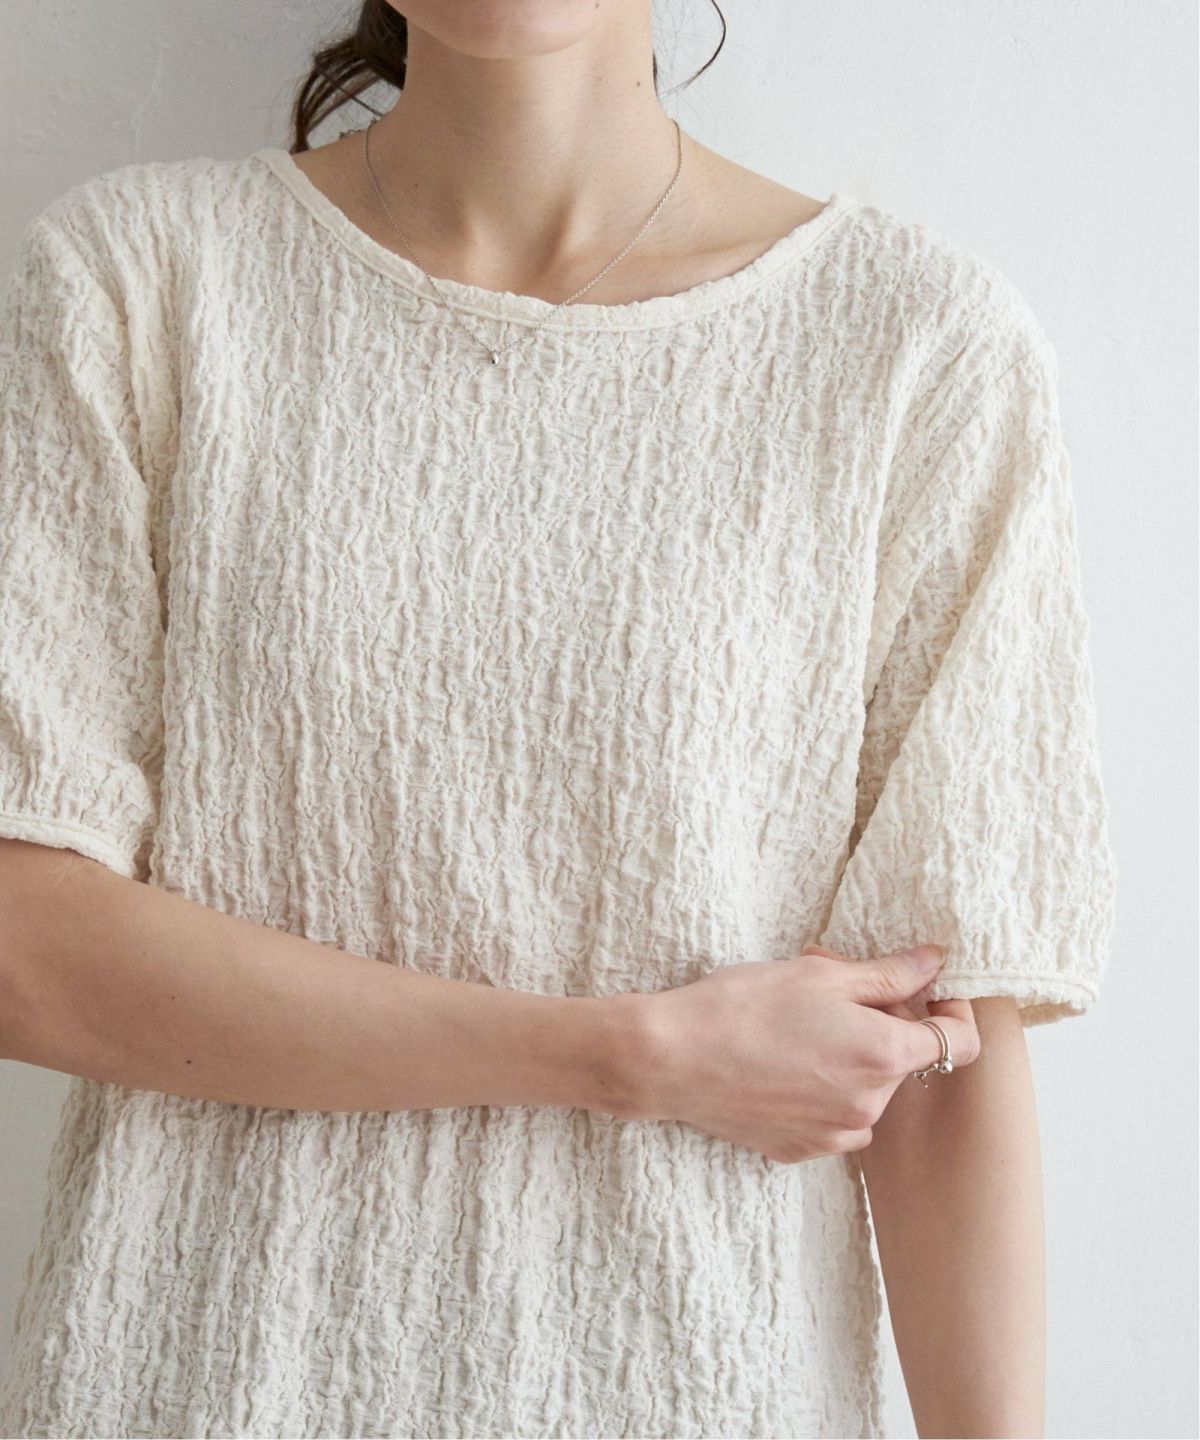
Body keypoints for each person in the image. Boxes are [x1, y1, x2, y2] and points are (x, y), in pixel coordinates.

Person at [0, 2, 1117, 1436]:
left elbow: (941, 1047)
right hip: (193, 1383)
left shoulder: (915, 351)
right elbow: (27, 946)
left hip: (698, 1387)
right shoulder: (139, 280)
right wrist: (628, 1056)